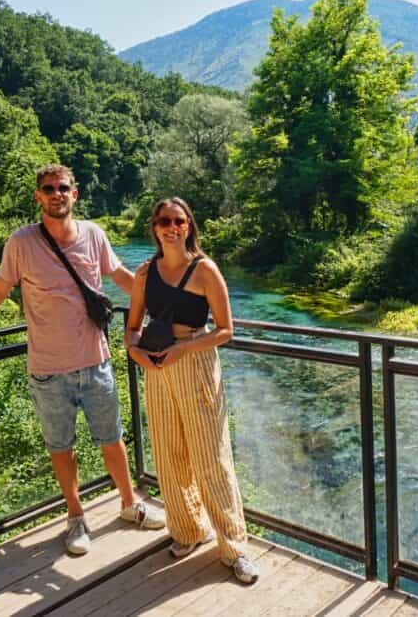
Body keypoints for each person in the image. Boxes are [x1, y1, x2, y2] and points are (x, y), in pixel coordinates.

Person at [0, 164, 164, 555]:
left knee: (113, 440)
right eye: (48, 188)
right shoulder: (20, 244)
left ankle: (129, 504)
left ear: (75, 194)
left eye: (63, 188)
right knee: (61, 447)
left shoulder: (93, 234)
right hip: (48, 370)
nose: (56, 194)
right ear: (38, 196)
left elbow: (120, 275)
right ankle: (76, 518)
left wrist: (162, 305)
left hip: (96, 360)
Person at [124, 197, 259, 584]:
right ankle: (187, 530)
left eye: (179, 221)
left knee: (210, 457)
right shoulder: (145, 273)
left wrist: (183, 348)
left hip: (196, 362)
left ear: (189, 226)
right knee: (168, 452)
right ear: (154, 226)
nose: (172, 227)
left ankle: (234, 548)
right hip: (157, 368)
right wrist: (136, 352)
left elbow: (226, 330)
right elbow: (132, 325)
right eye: (164, 220)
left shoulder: (205, 270)